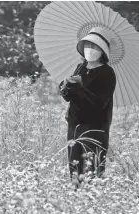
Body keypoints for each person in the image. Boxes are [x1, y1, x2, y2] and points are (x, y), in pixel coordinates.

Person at [58, 27, 116, 181]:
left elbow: (99, 102)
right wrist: (65, 86)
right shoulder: (81, 67)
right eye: (87, 45)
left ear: (103, 51)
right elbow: (69, 96)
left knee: (92, 169)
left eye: (95, 47)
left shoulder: (106, 72)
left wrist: (80, 86)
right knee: (75, 169)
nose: (90, 49)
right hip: (75, 125)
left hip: (95, 127)